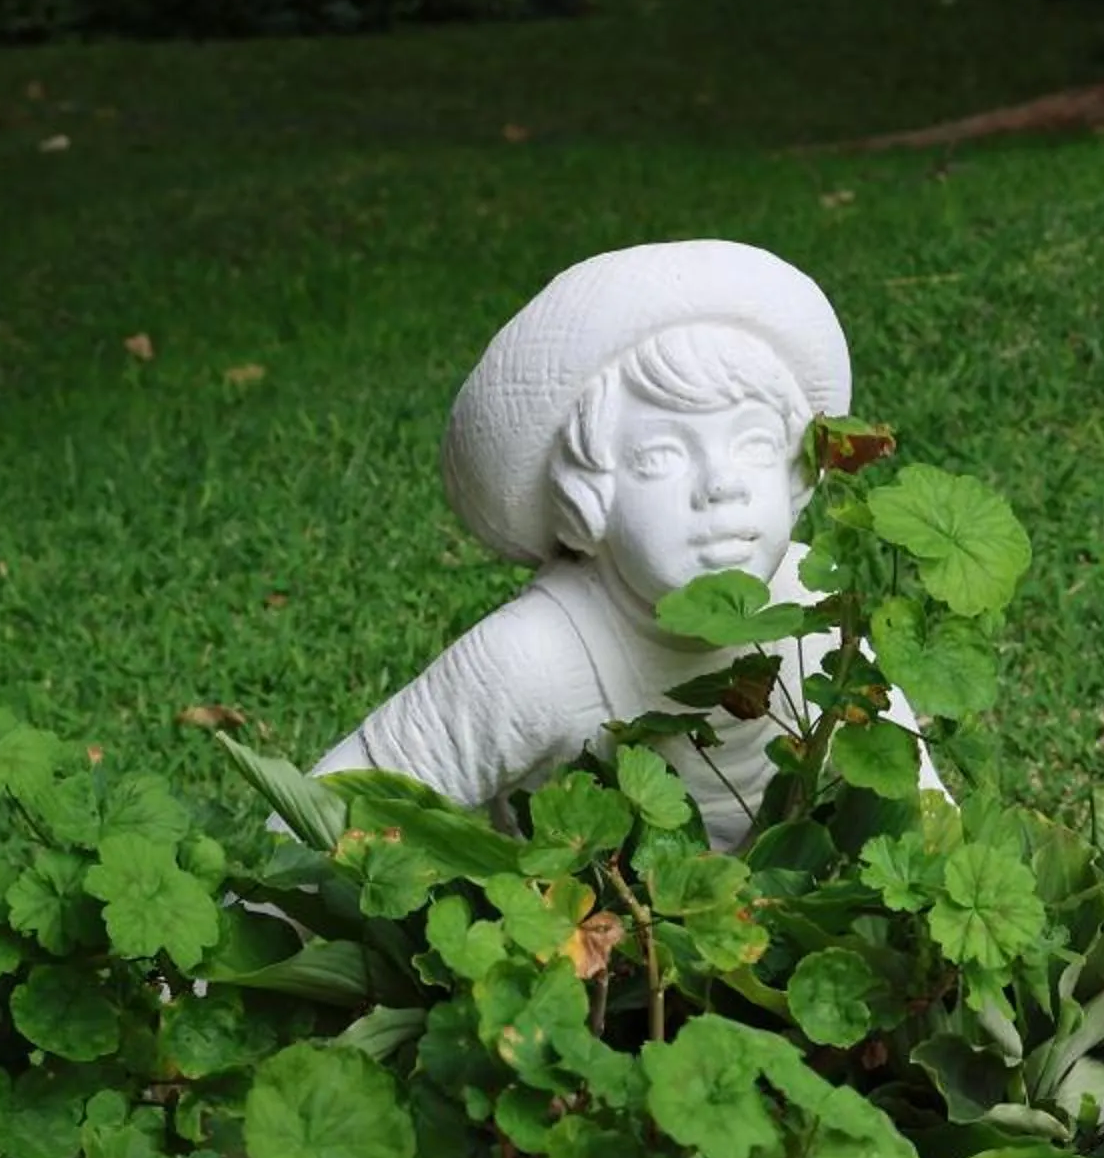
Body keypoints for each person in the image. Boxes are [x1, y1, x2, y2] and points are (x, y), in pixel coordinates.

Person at [314, 240, 935, 847]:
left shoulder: (815, 609)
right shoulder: (542, 657)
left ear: (798, 474)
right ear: (588, 497)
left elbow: (922, 809)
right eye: (661, 456)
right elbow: (324, 823)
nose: (720, 485)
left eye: (752, 446)